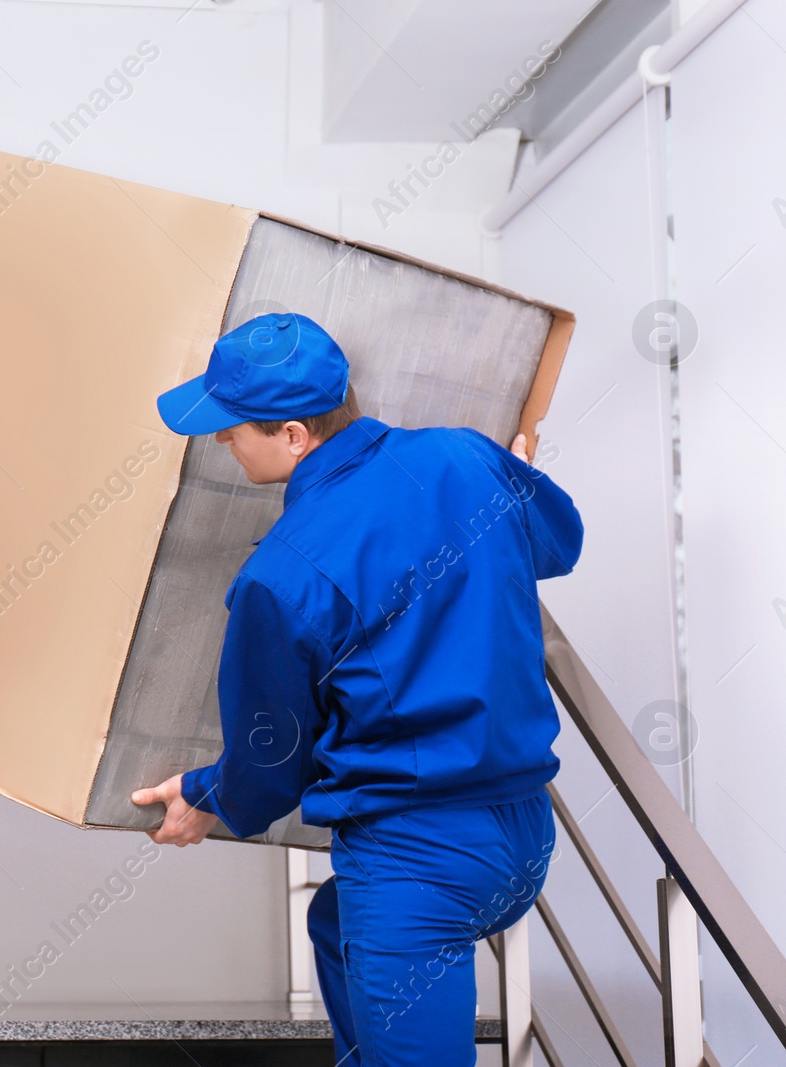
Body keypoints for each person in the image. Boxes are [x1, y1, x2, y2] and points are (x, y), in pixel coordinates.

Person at [131, 312, 582, 1064]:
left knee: (377, 942)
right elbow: (557, 543)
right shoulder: (464, 457)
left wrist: (208, 796)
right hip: (525, 840)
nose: (220, 440)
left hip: (419, 863)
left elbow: (273, 759)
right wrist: (516, 473)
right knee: (336, 927)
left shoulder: (281, 575)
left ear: (295, 435)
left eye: (233, 426)